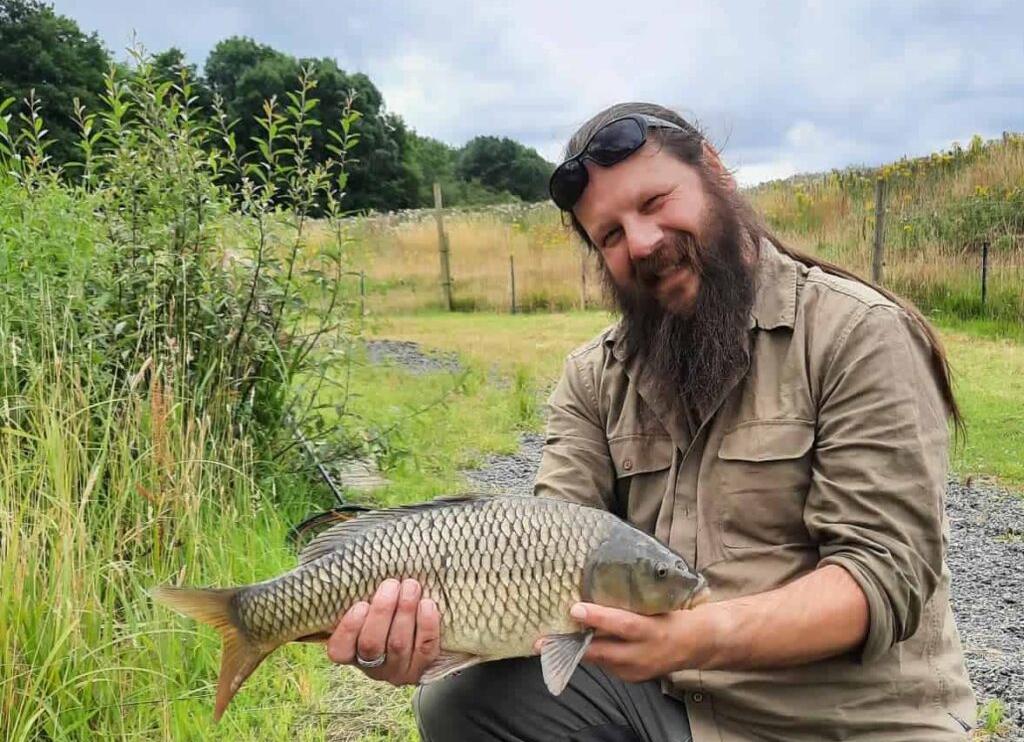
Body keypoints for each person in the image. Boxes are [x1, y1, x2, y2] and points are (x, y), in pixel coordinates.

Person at [324, 102, 977, 741]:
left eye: (654, 202)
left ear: (715, 174)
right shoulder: (593, 376)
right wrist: (429, 640)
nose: (640, 243)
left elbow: (881, 576)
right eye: (609, 235)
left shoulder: (857, 332)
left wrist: (696, 635)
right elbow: (543, 551)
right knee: (461, 702)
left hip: (847, 721)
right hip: (679, 708)